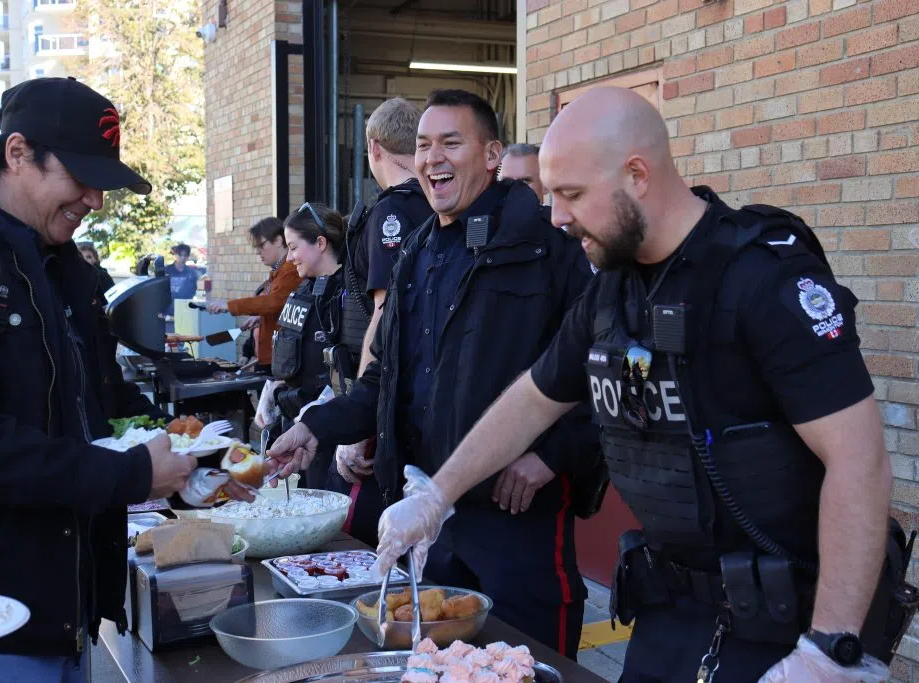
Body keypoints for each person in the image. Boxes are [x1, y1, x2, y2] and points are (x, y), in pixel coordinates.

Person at [368, 86, 898, 683]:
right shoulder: (614, 291)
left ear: (637, 174)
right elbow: (533, 397)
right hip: (672, 608)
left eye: (571, 194)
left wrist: (829, 650)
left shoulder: (763, 281)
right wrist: (437, 496)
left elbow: (860, 461)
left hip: (784, 622)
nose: (557, 217)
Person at [0, 77, 213, 683]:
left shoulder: (61, 268)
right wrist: (131, 474)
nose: (95, 200)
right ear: (18, 154)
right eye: (80, 177)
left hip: (64, 611)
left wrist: (189, 461)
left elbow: (97, 408)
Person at [265, 89, 600, 658]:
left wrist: (552, 456)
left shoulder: (551, 252)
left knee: (528, 666)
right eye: (423, 145)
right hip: (428, 526)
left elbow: (602, 379)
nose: (432, 158)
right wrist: (318, 426)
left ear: (492, 154)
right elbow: (385, 382)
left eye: (451, 142)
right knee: (441, 668)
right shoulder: (417, 252)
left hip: (515, 522)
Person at [331, 97, 432, 546]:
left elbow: (383, 314)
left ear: (374, 147)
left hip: (388, 397)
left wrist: (359, 419)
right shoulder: (441, 203)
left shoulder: (391, 211)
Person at [267, 202, 346, 489]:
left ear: (321, 243)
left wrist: (321, 408)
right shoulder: (305, 288)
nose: (288, 258)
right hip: (295, 426)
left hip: (327, 433)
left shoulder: (347, 294)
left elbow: (355, 366)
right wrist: (275, 387)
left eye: (293, 247)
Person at [206, 217, 302, 374]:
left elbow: (273, 302)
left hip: (281, 358)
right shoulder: (278, 272)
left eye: (261, 245)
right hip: (273, 357)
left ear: (278, 240)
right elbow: (281, 305)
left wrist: (229, 305)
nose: (258, 251)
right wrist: (259, 318)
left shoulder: (290, 270)